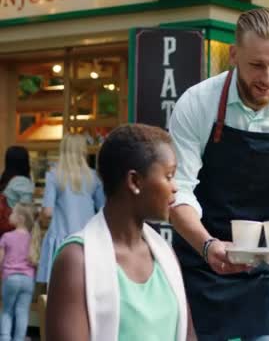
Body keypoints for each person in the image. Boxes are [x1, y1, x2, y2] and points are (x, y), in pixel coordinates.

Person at [168, 8, 269, 340]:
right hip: (204, 257)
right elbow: (178, 191)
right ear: (234, 54)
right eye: (257, 65)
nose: (268, 79)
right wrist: (208, 246)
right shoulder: (197, 104)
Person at [46, 124, 196, 341]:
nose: (175, 187)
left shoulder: (165, 255)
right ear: (134, 181)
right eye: (169, 175)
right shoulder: (76, 260)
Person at [36, 133, 105, 284]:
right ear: (83, 151)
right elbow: (103, 210)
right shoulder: (93, 177)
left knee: (58, 289)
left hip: (61, 238)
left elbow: (48, 212)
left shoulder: (54, 175)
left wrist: (39, 219)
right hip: (87, 239)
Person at [0, 203, 41, 341]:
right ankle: (19, 339)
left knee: (7, 311)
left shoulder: (6, 236)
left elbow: (0, 260)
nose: (9, 215)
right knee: (22, 312)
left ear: (20, 218)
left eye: (12, 213)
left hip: (10, 278)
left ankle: (5, 338)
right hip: (28, 280)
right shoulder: (33, 238)